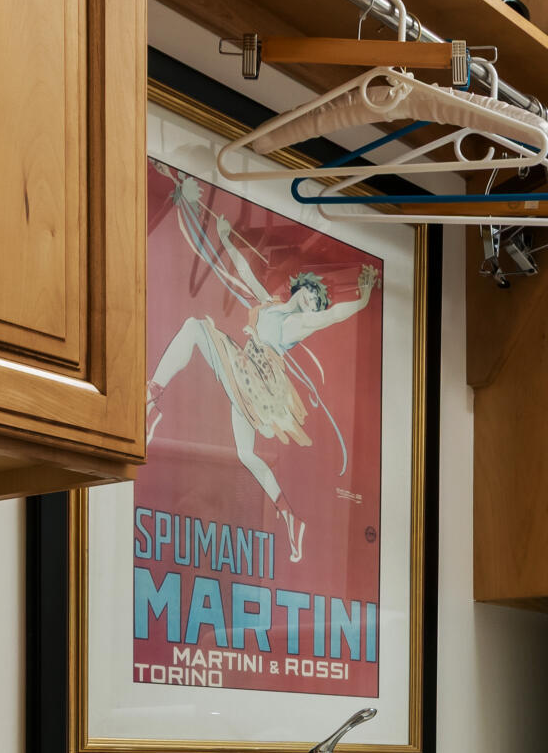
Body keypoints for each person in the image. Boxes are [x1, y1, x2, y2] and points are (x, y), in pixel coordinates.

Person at [151, 172, 378, 561]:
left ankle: (151, 398)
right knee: (246, 454)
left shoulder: (299, 323)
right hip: (248, 376)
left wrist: (365, 295)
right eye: (312, 296)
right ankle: (290, 517)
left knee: (194, 329)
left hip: (256, 376)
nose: (313, 305)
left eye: (316, 304)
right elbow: (245, 272)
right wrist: (224, 237)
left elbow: (336, 316)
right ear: (301, 288)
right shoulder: (272, 305)